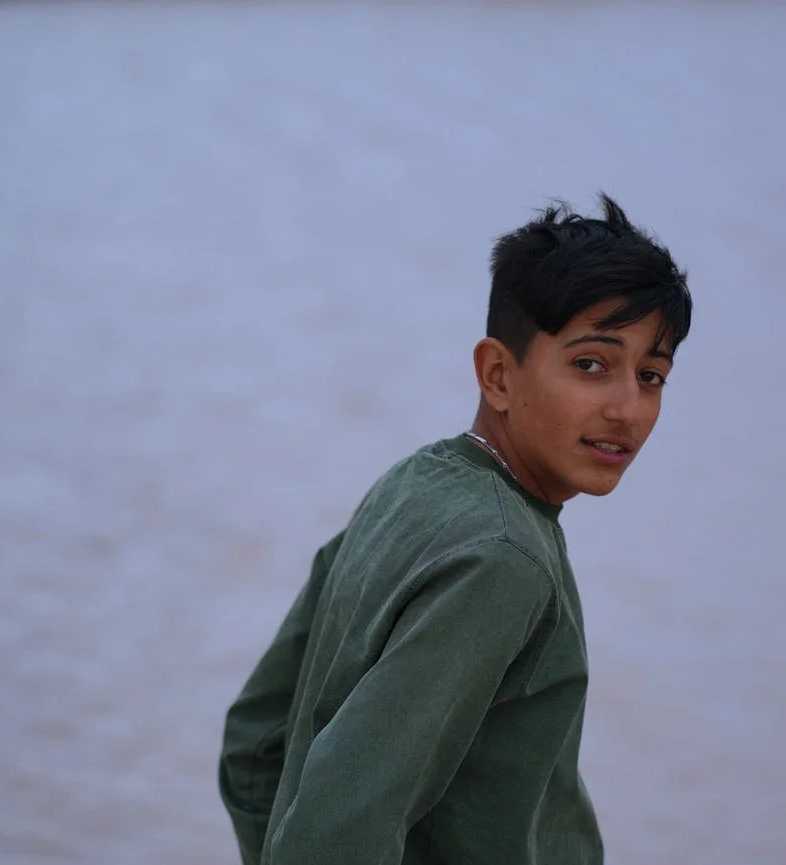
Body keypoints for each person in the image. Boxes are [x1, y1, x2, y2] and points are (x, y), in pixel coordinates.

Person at [217, 193, 693, 865]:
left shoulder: (413, 483)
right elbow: (334, 831)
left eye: (652, 375)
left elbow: (255, 742)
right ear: (498, 374)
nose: (627, 408)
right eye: (591, 364)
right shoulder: (504, 561)